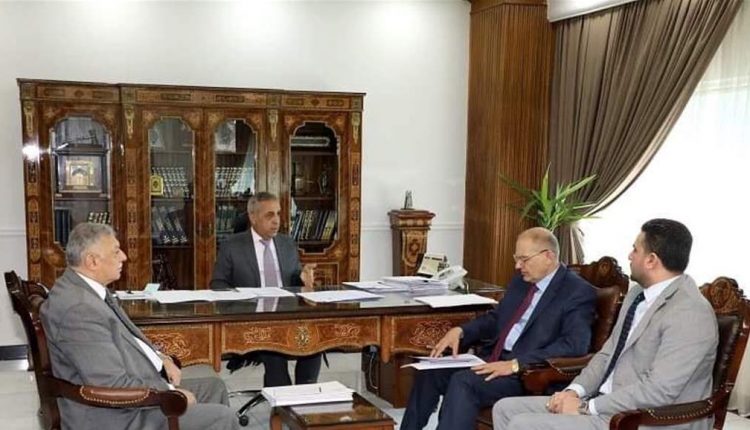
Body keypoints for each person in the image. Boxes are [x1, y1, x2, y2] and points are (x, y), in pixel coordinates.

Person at [493, 218, 718, 430]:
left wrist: (586, 407)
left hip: (641, 419)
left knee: (523, 424)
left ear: (651, 260)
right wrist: (574, 391)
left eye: (635, 250)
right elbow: (606, 355)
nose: (629, 256)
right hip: (604, 403)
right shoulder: (637, 295)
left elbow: (658, 391)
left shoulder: (690, 313)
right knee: (505, 409)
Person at [40, 222, 238, 430]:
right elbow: (111, 384)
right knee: (222, 417)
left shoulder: (86, 290)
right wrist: (169, 393)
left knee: (214, 387)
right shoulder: (79, 310)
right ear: (92, 261)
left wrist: (162, 358)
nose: (124, 257)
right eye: (116, 251)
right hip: (115, 415)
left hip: (133, 392)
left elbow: (129, 342)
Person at [400, 227, 597, 430]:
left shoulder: (577, 292)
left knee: (463, 382)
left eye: (524, 259)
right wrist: (461, 331)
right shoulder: (521, 281)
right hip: (493, 359)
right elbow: (496, 319)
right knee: (430, 373)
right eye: (516, 259)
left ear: (548, 256)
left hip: (527, 373)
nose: (518, 266)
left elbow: (574, 345)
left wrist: (515, 364)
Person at [211, 191, 319, 387]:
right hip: (253, 319)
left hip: (288, 314)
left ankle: (305, 396)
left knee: (314, 341)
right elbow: (218, 284)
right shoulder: (232, 246)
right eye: (269, 215)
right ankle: (282, 400)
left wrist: (303, 279)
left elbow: (294, 278)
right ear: (253, 217)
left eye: (278, 214)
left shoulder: (287, 243)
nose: (276, 220)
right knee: (274, 347)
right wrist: (242, 299)